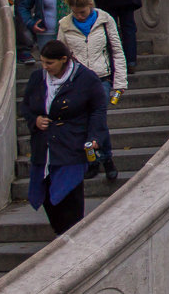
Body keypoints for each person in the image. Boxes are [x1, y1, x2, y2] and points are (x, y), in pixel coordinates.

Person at [19, 39, 108, 235]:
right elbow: (25, 106)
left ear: (63, 60)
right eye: (42, 62)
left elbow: (98, 110)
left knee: (69, 194)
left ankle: (71, 235)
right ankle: (60, 233)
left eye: (49, 63)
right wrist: (35, 120)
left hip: (71, 146)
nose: (45, 67)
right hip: (44, 148)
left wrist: (94, 136)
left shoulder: (86, 79)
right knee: (45, 195)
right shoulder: (37, 78)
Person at [57, 0, 125, 181]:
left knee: (98, 121)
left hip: (101, 78)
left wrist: (119, 82)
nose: (79, 16)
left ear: (90, 6)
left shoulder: (105, 20)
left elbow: (117, 51)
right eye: (75, 12)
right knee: (84, 123)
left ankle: (107, 159)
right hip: (77, 81)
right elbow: (61, 55)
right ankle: (92, 161)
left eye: (83, 12)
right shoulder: (64, 25)